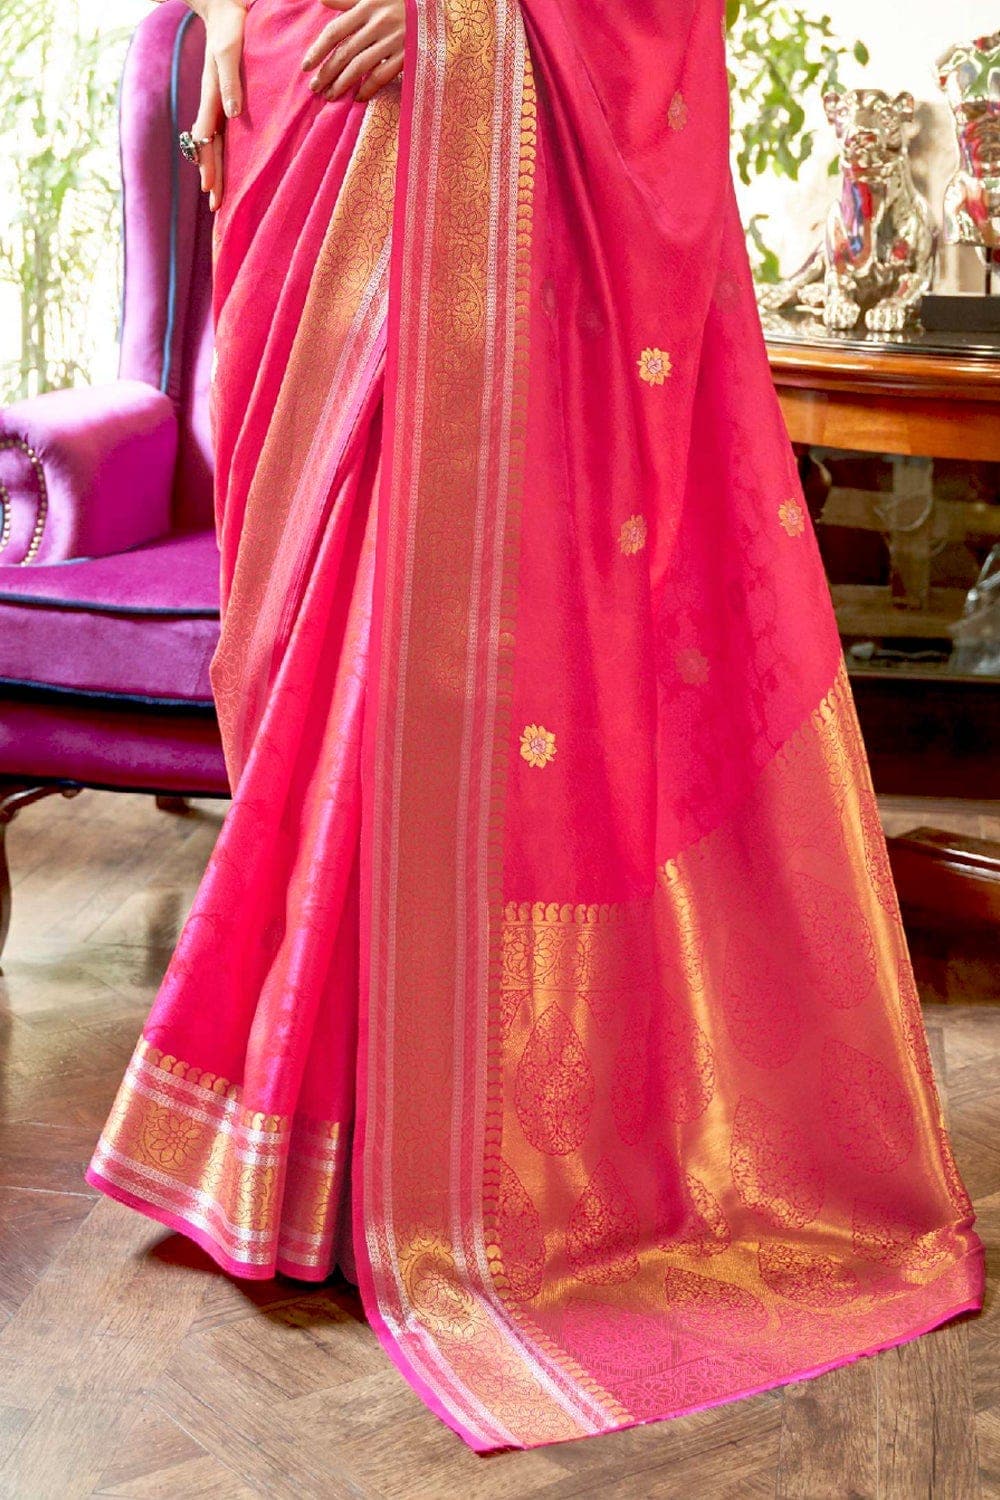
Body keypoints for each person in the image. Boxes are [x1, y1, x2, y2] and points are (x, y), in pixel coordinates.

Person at [88, 0, 985, 1453]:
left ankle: (457, 1157)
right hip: (292, 93)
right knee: (303, 635)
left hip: (457, 122)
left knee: (428, 655)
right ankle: (311, 1143)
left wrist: (467, 22)